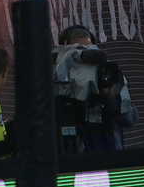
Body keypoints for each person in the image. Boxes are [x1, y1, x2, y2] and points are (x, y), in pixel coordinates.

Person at [54, 25, 138, 153]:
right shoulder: (55, 79)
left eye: (89, 50)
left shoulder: (106, 72)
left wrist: (112, 99)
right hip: (67, 155)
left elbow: (130, 118)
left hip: (106, 155)